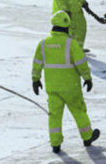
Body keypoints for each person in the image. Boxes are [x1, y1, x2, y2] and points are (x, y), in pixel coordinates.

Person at [32, 10, 100, 154]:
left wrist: (35, 80)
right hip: (71, 88)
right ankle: (87, 137)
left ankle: (55, 144)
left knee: (54, 116)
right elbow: (81, 63)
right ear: (67, 26)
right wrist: (87, 78)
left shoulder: (43, 44)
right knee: (79, 111)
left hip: (53, 88)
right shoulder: (71, 44)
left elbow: (37, 63)